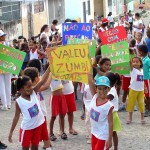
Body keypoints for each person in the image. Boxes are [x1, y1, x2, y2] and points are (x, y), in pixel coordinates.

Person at [8, 66, 50, 150]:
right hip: (27, 129)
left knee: (35, 147)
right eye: (28, 86)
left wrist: (50, 68)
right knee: (26, 148)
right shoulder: (19, 101)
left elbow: (42, 80)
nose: (31, 88)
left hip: (38, 126)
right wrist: (11, 132)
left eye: (31, 86)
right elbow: (16, 117)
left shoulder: (33, 92)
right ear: (20, 89)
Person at [24, 67, 52, 150]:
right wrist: (51, 72)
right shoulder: (33, 90)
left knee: (43, 135)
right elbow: (45, 84)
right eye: (39, 75)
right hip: (39, 117)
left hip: (37, 117)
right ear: (36, 78)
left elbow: (43, 80)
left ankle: (47, 146)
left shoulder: (28, 89)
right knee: (42, 136)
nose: (40, 77)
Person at [88, 76, 114, 150]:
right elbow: (90, 82)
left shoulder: (109, 106)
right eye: (99, 88)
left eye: (105, 89)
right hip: (94, 132)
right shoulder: (95, 97)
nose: (102, 91)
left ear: (109, 89)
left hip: (103, 135)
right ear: (96, 89)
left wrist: (110, 138)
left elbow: (111, 122)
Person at [106, 72, 122, 150]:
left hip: (112, 114)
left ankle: (115, 147)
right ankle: (111, 147)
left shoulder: (112, 90)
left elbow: (108, 98)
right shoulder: (110, 89)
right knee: (110, 133)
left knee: (112, 132)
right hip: (109, 114)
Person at [126, 57, 145, 124]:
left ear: (140, 63)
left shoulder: (142, 70)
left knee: (141, 104)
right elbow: (130, 62)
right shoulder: (132, 70)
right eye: (134, 62)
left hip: (141, 90)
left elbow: (143, 80)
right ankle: (130, 117)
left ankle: (142, 118)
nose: (135, 63)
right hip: (133, 89)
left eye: (137, 62)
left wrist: (145, 88)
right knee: (131, 103)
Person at [0, 30, 11, 110]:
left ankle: (5, 105)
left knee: (2, 86)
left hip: (2, 67)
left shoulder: (7, 43)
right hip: (8, 66)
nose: (4, 36)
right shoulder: (7, 44)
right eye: (3, 35)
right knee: (7, 85)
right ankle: (8, 104)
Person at [138, 45, 150, 117]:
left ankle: (148, 110)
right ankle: (147, 108)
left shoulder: (148, 60)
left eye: (139, 51)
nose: (138, 52)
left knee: (148, 96)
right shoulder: (142, 59)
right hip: (142, 79)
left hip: (147, 79)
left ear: (141, 52)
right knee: (144, 95)